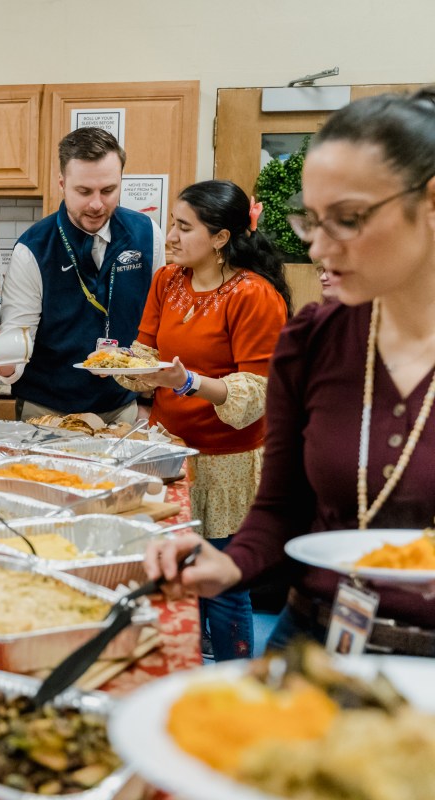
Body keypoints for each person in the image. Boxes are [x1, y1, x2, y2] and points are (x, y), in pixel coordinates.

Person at [147, 87, 435, 656]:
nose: (321, 249)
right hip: (317, 636)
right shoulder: (315, 341)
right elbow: (281, 509)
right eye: (312, 221)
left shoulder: (255, 298)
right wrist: (228, 565)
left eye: (348, 220)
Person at [105, 180, 291, 660]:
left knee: (224, 584)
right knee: (175, 574)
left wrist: (187, 383)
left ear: (221, 238)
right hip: (169, 457)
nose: (170, 236)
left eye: (184, 228)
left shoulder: (254, 296)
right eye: (171, 224)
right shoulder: (167, 280)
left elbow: (255, 393)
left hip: (226, 462)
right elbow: (146, 356)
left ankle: (234, 686)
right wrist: (121, 364)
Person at [0, 128, 165, 424]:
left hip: (121, 408)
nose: (97, 204)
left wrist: (149, 401)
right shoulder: (32, 248)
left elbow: (156, 323)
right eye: (84, 191)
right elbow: (17, 345)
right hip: (47, 411)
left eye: (108, 190)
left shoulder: (147, 234)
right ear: (62, 184)